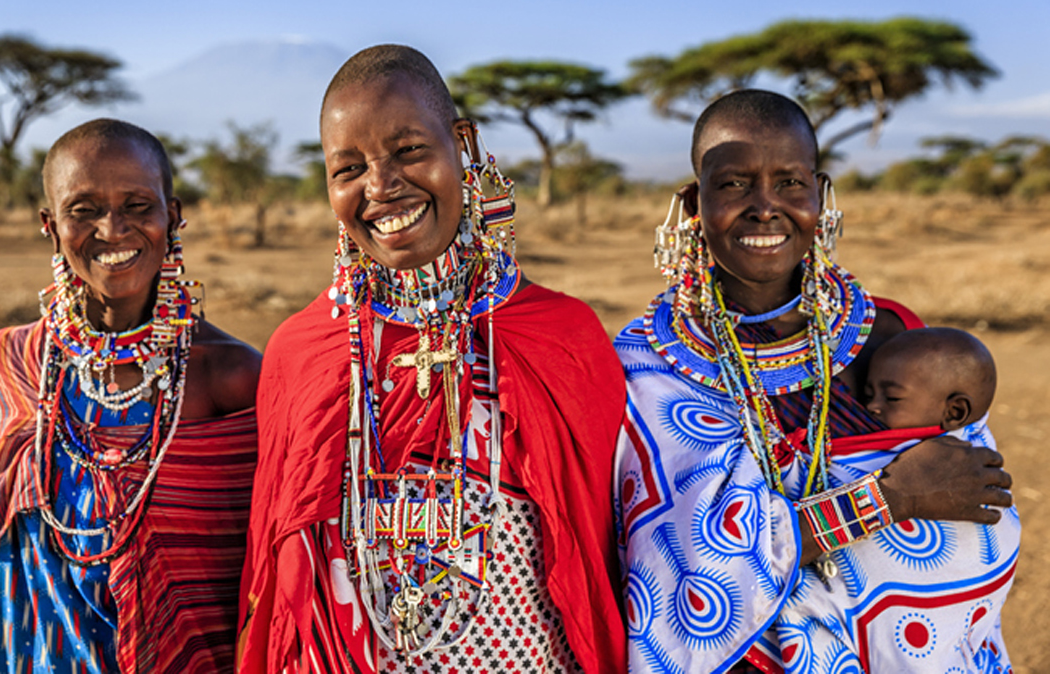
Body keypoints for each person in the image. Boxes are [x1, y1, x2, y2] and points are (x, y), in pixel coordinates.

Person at [237, 45, 627, 673]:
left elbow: (605, 559)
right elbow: (279, 583)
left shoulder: (561, 336)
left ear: (462, 144)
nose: (382, 186)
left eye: (409, 150)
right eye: (348, 169)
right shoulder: (300, 353)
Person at [615, 90, 1018, 673]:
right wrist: (889, 498)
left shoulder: (891, 335)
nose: (765, 207)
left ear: (821, 193)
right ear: (692, 201)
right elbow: (679, 575)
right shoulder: (648, 364)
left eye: (790, 182)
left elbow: (971, 485)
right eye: (733, 184)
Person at [0, 119, 261, 673]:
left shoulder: (230, 377)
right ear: (51, 224)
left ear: (173, 215)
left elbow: (264, 578)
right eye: (83, 209)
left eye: (138, 204)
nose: (112, 229)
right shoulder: (4, 366)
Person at [865, 326, 996, 432]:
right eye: (869, 395)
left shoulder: (953, 460)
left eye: (892, 397)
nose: (871, 406)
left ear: (954, 412)